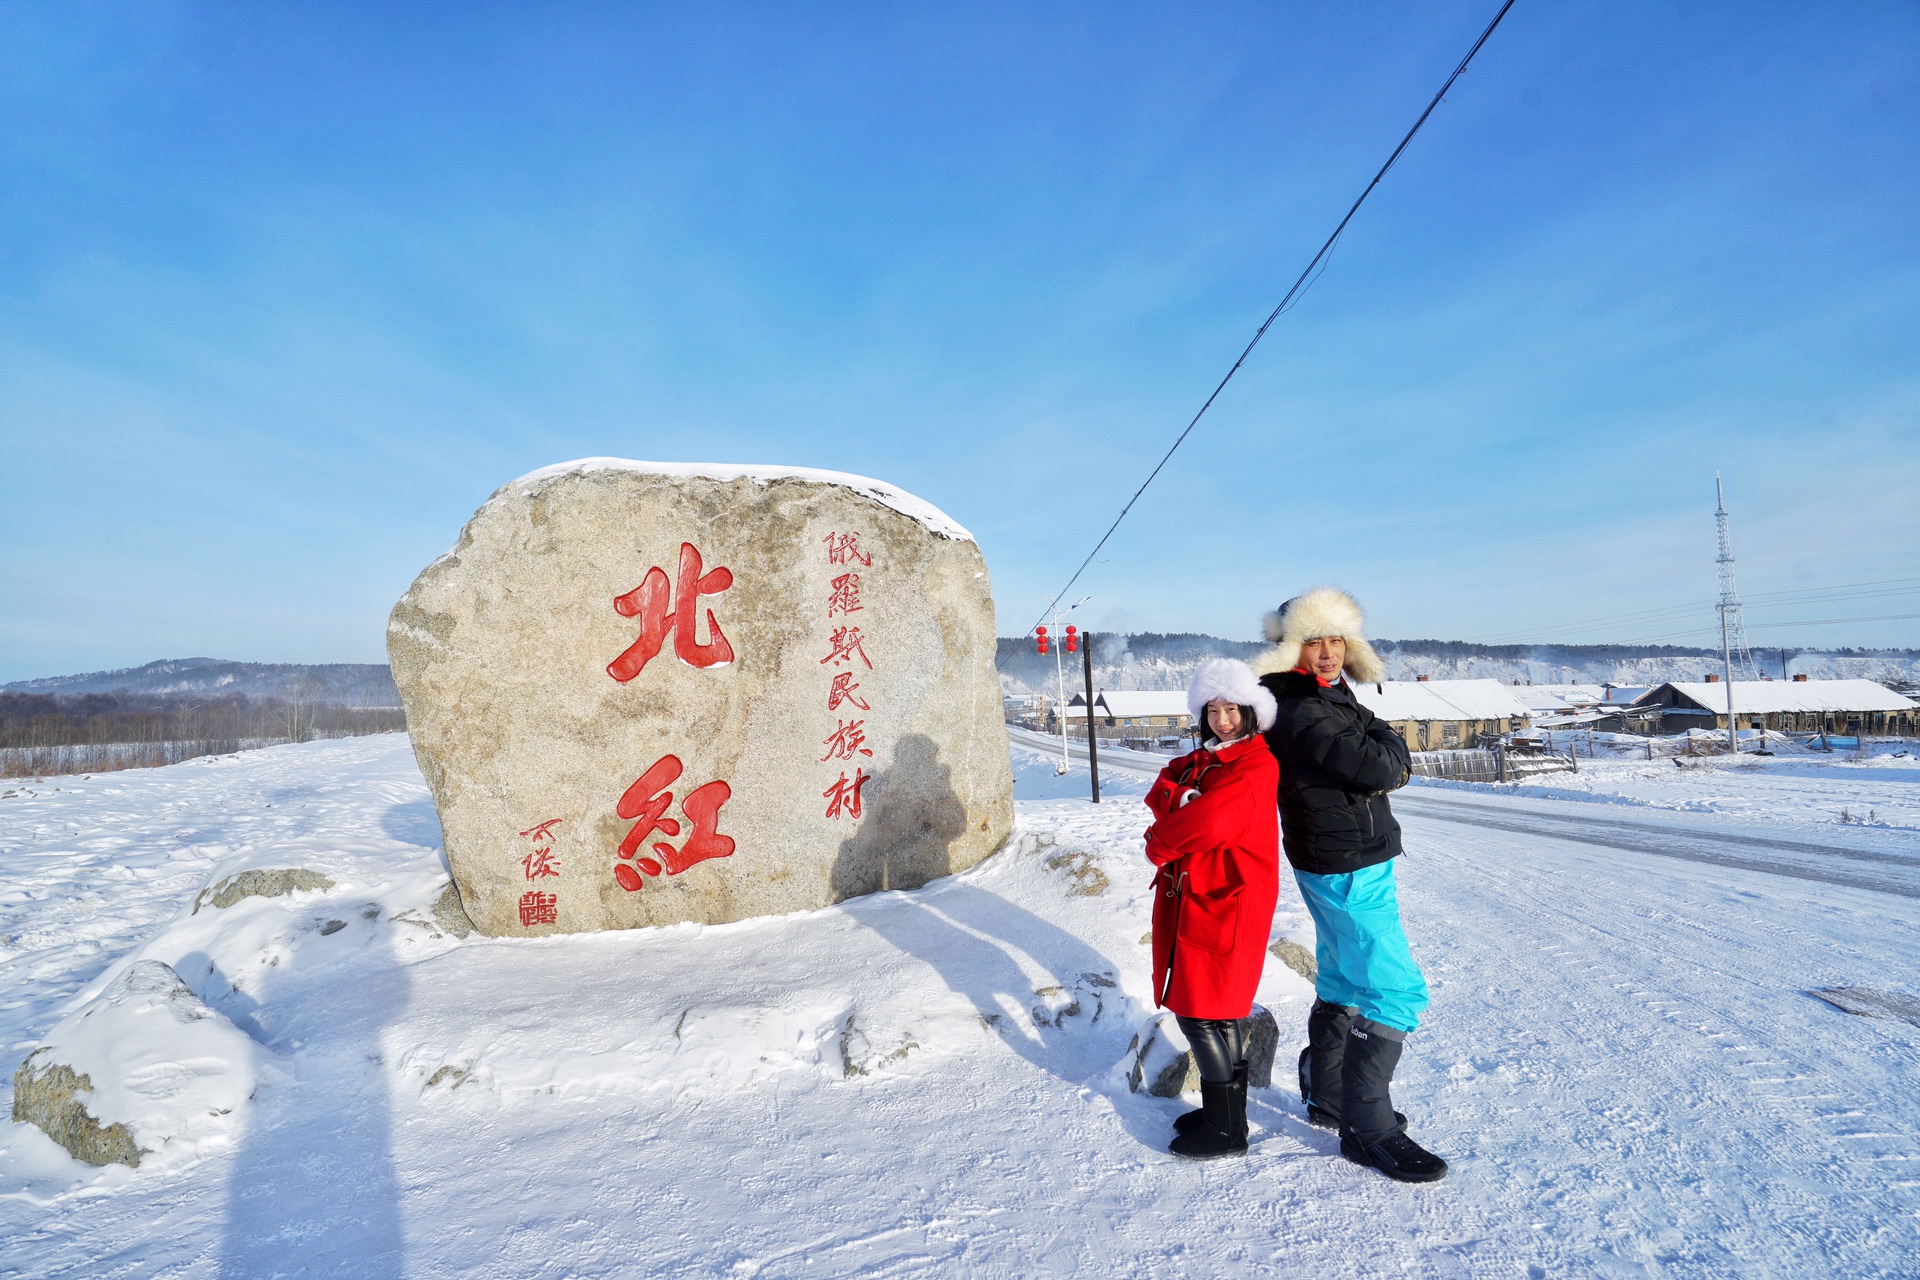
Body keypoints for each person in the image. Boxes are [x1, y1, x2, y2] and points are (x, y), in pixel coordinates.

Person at [1252, 587, 1448, 1183]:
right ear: (1291, 649)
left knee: (1340, 976)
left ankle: (1331, 1096)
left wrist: (1384, 743)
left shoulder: (1326, 695)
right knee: (1396, 990)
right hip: (1346, 863)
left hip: (1341, 857)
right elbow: (1390, 765)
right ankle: (1369, 1127)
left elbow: (1383, 745)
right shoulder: (1301, 706)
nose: (1328, 652)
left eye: (1336, 639)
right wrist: (1388, 748)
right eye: (1313, 641)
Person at [1143, 658, 1281, 1159]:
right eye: (1213, 710)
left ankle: (1226, 1130)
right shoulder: (1210, 759)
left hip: (1228, 902)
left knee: (1200, 1012)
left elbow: (1207, 821)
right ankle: (1226, 1113)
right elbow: (1162, 783)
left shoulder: (1253, 765)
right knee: (1215, 1012)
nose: (1222, 719)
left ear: (1250, 711)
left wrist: (1161, 839)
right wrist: (1182, 797)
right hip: (1209, 898)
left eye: (1231, 709)